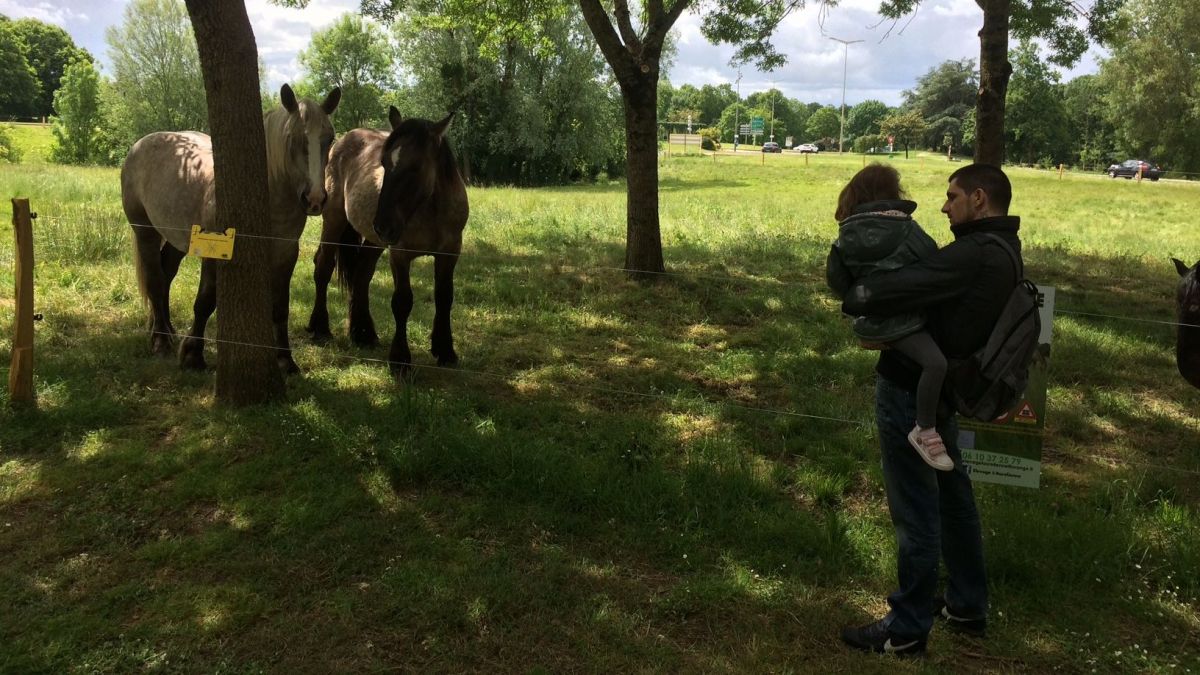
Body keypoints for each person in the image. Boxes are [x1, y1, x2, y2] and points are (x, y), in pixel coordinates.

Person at [837, 164, 1022, 656]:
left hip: (908, 389)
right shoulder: (1005, 248)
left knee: (915, 512)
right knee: (954, 498)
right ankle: (966, 603)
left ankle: (907, 628)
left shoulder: (974, 255)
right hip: (940, 393)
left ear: (980, 199)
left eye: (953, 196)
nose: (944, 206)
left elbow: (898, 286)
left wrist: (856, 297)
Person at [826, 164, 953, 472]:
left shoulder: (846, 235)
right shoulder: (906, 228)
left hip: (872, 322)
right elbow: (933, 261)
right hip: (905, 322)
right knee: (936, 364)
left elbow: (836, 280)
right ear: (892, 193)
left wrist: (865, 299)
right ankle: (925, 430)